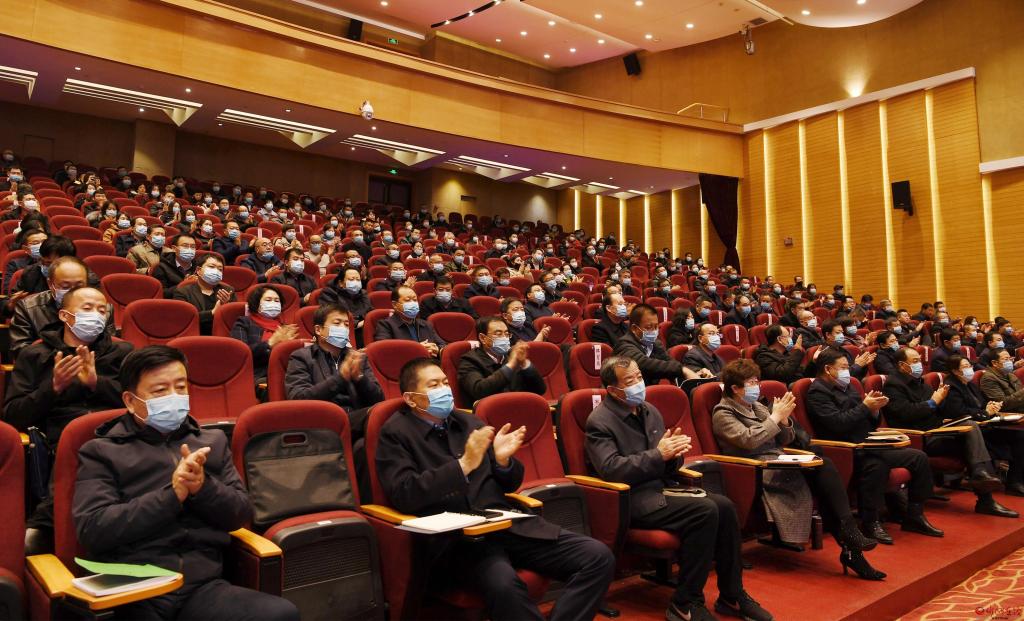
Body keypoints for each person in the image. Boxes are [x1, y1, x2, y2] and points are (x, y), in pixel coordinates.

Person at [376, 358, 615, 621]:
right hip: (459, 543)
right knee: (505, 585)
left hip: (506, 525)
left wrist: (502, 462)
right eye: (434, 385)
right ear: (411, 399)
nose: (444, 389)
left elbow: (509, 484)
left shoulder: (470, 423)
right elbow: (405, 493)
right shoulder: (395, 433)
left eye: (445, 382)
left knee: (597, 556)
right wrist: (463, 466)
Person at [72, 346, 300, 621]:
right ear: (130, 401)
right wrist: (172, 495)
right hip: (133, 589)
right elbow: (93, 529)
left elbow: (240, 512)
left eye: (180, 387)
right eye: (160, 391)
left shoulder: (211, 442)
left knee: (280, 613)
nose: (174, 397)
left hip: (201, 586)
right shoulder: (101, 451)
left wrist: (202, 487)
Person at [586, 356, 772, 621]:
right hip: (631, 498)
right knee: (704, 510)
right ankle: (685, 602)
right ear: (613, 390)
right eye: (629, 381)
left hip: (662, 488)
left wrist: (674, 455)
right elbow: (611, 469)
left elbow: (668, 463)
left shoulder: (650, 411)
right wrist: (659, 455)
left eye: (639, 377)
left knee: (725, 506)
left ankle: (732, 594)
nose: (638, 383)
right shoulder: (599, 421)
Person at [711, 359, 883, 579]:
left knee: (823, 467)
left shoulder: (757, 406)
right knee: (824, 478)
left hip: (780, 461)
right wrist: (775, 417)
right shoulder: (723, 412)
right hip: (756, 470)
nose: (757, 387)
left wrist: (784, 421)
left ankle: (851, 541)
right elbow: (749, 440)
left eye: (757, 381)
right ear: (735, 388)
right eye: (751, 383)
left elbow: (785, 439)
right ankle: (851, 545)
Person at [806, 348, 941, 543]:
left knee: (918, 458)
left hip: (868, 443)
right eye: (843, 367)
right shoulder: (818, 392)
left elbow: (869, 422)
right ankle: (870, 522)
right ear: (828, 369)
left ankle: (914, 515)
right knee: (876, 465)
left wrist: (874, 411)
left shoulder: (849, 387)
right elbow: (837, 423)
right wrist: (865, 407)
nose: (847, 371)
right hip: (845, 449)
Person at [882, 347, 1017, 518]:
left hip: (939, 430)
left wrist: (942, 402)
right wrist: (933, 402)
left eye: (920, 360)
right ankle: (985, 494)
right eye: (915, 361)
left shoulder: (921, 383)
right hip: (920, 437)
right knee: (972, 432)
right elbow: (906, 413)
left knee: (975, 435)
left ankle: (984, 487)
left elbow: (941, 411)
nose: (920, 365)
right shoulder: (893, 385)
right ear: (902, 365)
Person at [285, 302, 382, 441]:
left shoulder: (356, 357)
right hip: (322, 423)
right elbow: (298, 399)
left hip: (357, 422)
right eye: (337, 323)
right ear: (318, 330)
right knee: (379, 416)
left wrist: (360, 378)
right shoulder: (301, 357)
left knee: (383, 415)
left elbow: (379, 399)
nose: (343, 328)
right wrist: (340, 378)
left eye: (346, 325)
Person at [943, 354, 1024, 497]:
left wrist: (991, 407)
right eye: (966, 366)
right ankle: (987, 484)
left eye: (970, 365)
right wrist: (985, 412)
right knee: (1014, 437)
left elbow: (981, 404)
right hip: (967, 431)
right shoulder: (951, 386)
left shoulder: (969, 384)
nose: (970, 369)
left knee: (1019, 435)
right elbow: (959, 412)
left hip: (985, 424)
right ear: (955, 371)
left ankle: (1015, 481)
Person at [10, 257, 112, 361]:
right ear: (50, 284)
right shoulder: (28, 307)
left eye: (79, 286)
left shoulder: (103, 310)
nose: (72, 291)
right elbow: (20, 352)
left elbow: (108, 348)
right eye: (65, 286)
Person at [459, 316, 547, 403]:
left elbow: (540, 390)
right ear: (483, 338)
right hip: (492, 409)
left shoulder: (512, 357)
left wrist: (525, 364)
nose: (504, 338)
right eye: (498, 334)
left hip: (519, 406)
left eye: (506, 334)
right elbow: (479, 390)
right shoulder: (470, 360)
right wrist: (511, 365)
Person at [614, 304, 698, 386]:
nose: (654, 331)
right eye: (649, 327)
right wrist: (681, 369)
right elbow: (645, 363)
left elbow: (669, 362)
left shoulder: (656, 343)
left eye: (656, 326)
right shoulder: (623, 345)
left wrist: (693, 371)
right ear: (634, 328)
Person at [230, 285, 299, 384]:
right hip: (258, 375)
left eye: (277, 301)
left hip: (286, 373)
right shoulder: (244, 323)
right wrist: (270, 343)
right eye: (268, 300)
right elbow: (240, 355)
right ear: (257, 304)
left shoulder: (285, 328)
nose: (273, 303)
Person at [172, 254, 235, 335]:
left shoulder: (228, 290)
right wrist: (212, 313)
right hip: (193, 335)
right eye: (211, 267)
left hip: (222, 335)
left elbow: (235, 319)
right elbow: (182, 319)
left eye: (220, 269)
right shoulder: (183, 292)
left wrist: (227, 308)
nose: (216, 272)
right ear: (198, 270)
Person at [373, 286, 445, 357]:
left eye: (415, 300)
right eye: (407, 300)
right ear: (395, 305)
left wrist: (437, 350)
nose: (413, 303)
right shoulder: (385, 325)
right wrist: (417, 349)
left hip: (429, 362)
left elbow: (443, 346)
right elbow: (383, 351)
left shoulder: (426, 324)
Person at [2, 226, 46, 295]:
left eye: (44, 242)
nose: (41, 245)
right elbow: (8, 291)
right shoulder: (15, 264)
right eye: (35, 243)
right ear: (25, 248)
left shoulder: (58, 262)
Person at [152, 234, 198, 298]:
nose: (189, 250)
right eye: (185, 246)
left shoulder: (199, 266)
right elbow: (162, 293)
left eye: (193, 247)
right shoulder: (161, 267)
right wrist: (184, 284)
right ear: (174, 248)